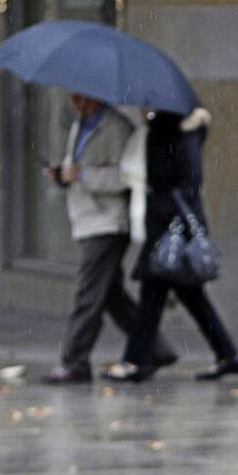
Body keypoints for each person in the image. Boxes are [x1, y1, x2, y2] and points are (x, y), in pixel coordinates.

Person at [41, 93, 177, 385]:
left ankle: (75, 361)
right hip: (86, 218)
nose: (76, 106)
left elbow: (123, 177)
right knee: (111, 294)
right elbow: (76, 164)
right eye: (71, 100)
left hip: (108, 222)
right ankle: (156, 347)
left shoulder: (116, 128)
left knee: (88, 292)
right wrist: (63, 175)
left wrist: (83, 176)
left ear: (95, 98)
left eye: (81, 100)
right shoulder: (80, 125)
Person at [103, 107, 238, 383]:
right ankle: (227, 355)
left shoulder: (178, 135)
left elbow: (188, 183)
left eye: (149, 107)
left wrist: (170, 219)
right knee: (190, 298)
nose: (143, 112)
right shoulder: (166, 133)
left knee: (152, 296)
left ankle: (135, 361)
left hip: (171, 229)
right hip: (168, 227)